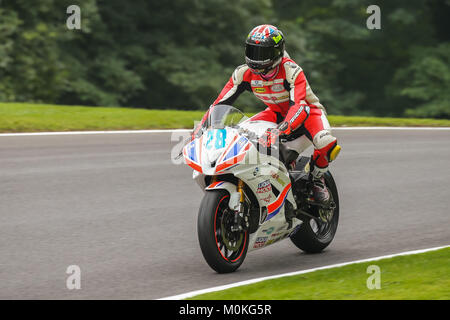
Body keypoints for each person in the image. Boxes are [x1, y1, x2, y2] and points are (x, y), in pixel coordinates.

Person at [193, 24, 341, 203]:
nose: (256, 59)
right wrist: (201, 129)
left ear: (277, 52)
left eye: (262, 54)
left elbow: (298, 107)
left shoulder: (291, 71)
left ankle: (318, 178)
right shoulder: (243, 73)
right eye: (252, 51)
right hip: (275, 113)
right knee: (239, 135)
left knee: (326, 142)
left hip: (308, 114)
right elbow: (219, 103)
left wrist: (279, 131)